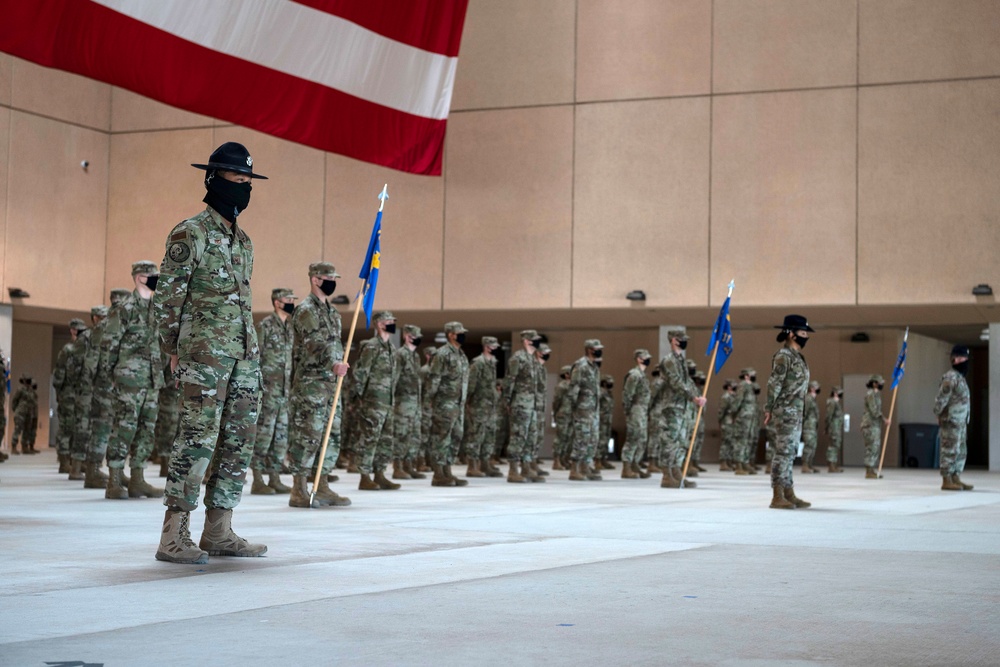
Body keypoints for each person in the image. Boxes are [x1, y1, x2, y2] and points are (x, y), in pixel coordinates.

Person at [153, 142, 268, 564]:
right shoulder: (191, 232)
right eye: (237, 180)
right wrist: (172, 349)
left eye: (248, 182)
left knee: (238, 440)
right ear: (214, 180)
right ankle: (173, 534)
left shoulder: (243, 242)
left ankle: (219, 529)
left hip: (242, 356)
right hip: (203, 356)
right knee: (197, 438)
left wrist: (251, 359)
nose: (243, 188)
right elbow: (168, 299)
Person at [285, 262, 352, 507]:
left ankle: (322, 485)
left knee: (330, 435)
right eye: (329, 277)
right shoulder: (305, 310)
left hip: (331, 385)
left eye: (335, 277)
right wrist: (333, 363)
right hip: (311, 385)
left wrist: (338, 366)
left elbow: (336, 345)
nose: (333, 281)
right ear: (315, 279)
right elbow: (314, 342)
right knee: (307, 435)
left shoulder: (333, 313)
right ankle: (299, 489)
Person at [104, 261, 165, 500]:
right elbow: (109, 344)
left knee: (147, 429)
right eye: (152, 276)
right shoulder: (125, 308)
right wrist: (113, 376)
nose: (156, 279)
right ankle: (114, 480)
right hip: (129, 379)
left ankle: (138, 479)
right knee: (125, 427)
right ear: (140, 277)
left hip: (152, 379)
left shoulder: (156, 307)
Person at [249, 288, 297, 495]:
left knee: (280, 437)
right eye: (288, 300)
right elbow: (253, 357)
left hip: (285, 392)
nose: (291, 303)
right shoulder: (265, 326)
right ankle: (258, 478)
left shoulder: (291, 328)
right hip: (268, 391)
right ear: (277, 302)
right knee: (264, 435)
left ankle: (275, 476)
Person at [763, 314, 813, 509]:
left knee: (790, 452)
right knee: (783, 452)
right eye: (802, 333)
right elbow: (774, 383)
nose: (806, 337)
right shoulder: (784, 356)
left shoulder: (797, 357)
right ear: (791, 334)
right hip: (785, 412)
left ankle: (788, 492)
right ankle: (777, 495)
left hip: (796, 412)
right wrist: (769, 408)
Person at [352, 311, 399, 491]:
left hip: (387, 401)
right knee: (369, 438)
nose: (392, 324)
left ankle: (380, 474)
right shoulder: (371, 346)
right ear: (379, 324)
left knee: (385, 439)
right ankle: (364, 476)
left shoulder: (391, 348)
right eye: (389, 321)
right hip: (373, 401)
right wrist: (360, 398)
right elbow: (360, 373)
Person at [656, 327, 706, 488]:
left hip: (681, 406)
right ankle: (666, 475)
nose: (684, 342)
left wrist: (698, 396)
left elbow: (688, 382)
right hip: (672, 406)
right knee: (670, 441)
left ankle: (677, 473)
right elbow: (676, 382)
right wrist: (693, 397)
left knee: (680, 441)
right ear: (673, 340)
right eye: (681, 339)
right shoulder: (669, 361)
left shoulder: (680, 360)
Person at [426, 322, 471, 486]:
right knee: (441, 438)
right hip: (444, 403)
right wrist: (429, 401)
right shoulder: (442, 354)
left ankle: (448, 471)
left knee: (456, 437)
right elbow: (434, 378)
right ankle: (438, 474)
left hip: (458, 404)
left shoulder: (461, 355)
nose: (463, 335)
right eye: (460, 332)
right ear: (451, 334)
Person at [72, 305, 109, 487]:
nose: (103, 320)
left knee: (97, 427)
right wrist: (82, 387)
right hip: (86, 389)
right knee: (83, 427)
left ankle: (91, 466)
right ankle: (76, 467)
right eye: (100, 317)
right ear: (94, 318)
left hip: (100, 389)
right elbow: (76, 365)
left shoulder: (107, 335)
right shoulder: (85, 338)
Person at [504, 330, 545, 483]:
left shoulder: (533, 360)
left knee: (531, 437)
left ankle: (526, 468)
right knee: (518, 436)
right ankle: (513, 470)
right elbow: (510, 381)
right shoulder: (518, 358)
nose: (537, 342)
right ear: (527, 341)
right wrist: (507, 401)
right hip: (520, 404)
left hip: (532, 405)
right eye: (534, 339)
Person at [934, 345, 973, 491]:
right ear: (955, 359)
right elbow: (941, 399)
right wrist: (939, 414)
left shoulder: (960, 378)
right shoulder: (950, 377)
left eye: (967, 358)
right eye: (963, 358)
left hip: (961, 420)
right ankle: (947, 479)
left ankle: (956, 477)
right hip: (951, 420)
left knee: (961, 450)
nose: (966, 361)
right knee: (949, 449)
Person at [566, 339, 604, 481]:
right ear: (589, 350)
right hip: (582, 409)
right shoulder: (580, 365)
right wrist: (574, 410)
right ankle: (574, 468)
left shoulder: (594, 367)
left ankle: (586, 466)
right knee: (582, 438)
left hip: (593, 409)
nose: (600, 351)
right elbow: (573, 389)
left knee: (592, 439)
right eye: (597, 348)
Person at [464, 336, 502, 478]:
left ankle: (485, 463)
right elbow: (471, 384)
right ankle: (472, 466)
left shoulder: (492, 363)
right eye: (493, 346)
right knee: (476, 435)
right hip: (478, 405)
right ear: (486, 346)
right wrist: (468, 401)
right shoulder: (478, 363)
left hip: (490, 405)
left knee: (489, 435)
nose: (495, 348)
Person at [52, 318, 86, 476]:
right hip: (67, 393)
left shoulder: (83, 348)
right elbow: (58, 373)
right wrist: (59, 392)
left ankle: (75, 460)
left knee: (77, 427)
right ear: (72, 330)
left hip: (79, 393)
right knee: (66, 426)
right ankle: (64, 461)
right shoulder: (68, 349)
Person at [392, 325, 426, 479]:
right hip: (403, 402)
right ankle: (397, 467)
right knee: (402, 433)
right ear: (406, 336)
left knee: (414, 435)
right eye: (414, 335)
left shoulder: (416, 356)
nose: (417, 338)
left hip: (415, 402)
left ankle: (409, 465)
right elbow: (395, 378)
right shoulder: (400, 354)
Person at [621, 349, 652, 479]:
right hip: (636, 409)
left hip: (643, 410)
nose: (648, 359)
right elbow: (627, 395)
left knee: (642, 439)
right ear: (639, 359)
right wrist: (629, 411)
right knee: (633, 438)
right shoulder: (634, 375)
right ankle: (626, 467)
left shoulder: (642, 375)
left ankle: (635, 464)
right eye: (646, 357)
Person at [861, 374, 889, 479]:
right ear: (874, 383)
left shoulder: (876, 395)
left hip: (874, 425)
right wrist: (884, 419)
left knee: (875, 447)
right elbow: (874, 411)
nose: (881, 384)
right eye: (879, 382)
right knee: (872, 447)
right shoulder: (871, 394)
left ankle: (871, 469)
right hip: (870, 425)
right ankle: (869, 471)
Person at [731, 369, 758, 475]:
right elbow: (738, 401)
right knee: (741, 441)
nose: (754, 376)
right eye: (752, 374)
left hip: (750, 418)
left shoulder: (751, 387)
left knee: (748, 440)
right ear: (746, 376)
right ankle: (738, 465)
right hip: (743, 417)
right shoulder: (742, 385)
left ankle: (745, 462)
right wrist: (734, 413)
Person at [551, 365, 573, 470]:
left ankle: (564, 458)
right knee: (560, 438)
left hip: (572, 415)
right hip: (563, 414)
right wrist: (555, 413)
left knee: (568, 438)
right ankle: (556, 460)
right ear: (566, 374)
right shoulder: (562, 386)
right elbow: (556, 401)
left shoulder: (574, 386)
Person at [801, 381, 821, 474]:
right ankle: (805, 465)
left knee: (813, 445)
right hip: (808, 426)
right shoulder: (808, 399)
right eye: (816, 387)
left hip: (812, 426)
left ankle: (809, 464)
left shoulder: (813, 399)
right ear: (812, 388)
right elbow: (804, 413)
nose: (818, 389)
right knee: (808, 445)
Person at [824, 387, 845, 472]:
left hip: (836, 427)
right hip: (834, 427)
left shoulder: (836, 403)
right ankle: (831, 465)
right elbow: (829, 415)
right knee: (833, 446)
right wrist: (827, 427)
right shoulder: (832, 402)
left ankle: (833, 465)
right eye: (840, 393)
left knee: (836, 445)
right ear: (835, 393)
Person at [718, 380, 736, 471]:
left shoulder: (733, 397)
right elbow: (721, 410)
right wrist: (720, 421)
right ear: (729, 387)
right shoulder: (726, 397)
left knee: (731, 442)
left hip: (732, 422)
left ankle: (729, 461)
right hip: (727, 422)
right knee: (725, 443)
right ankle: (723, 462)